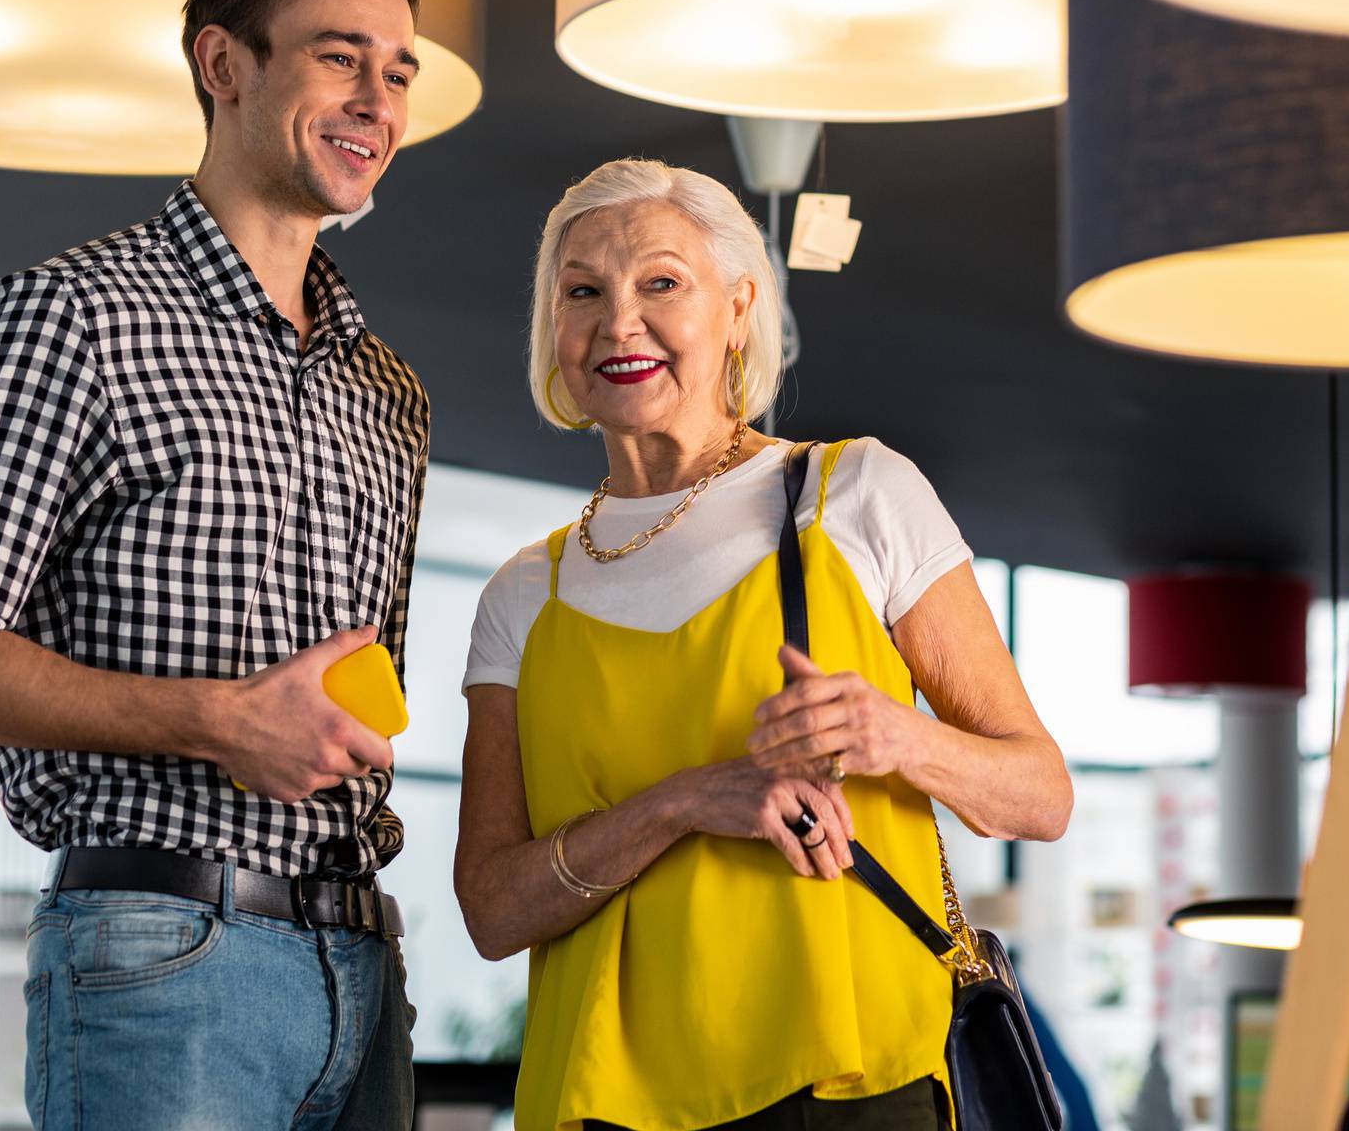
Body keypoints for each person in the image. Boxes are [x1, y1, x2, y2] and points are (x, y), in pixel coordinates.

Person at [0, 0, 431, 1129]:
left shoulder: (389, 393)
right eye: (338, 56)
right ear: (224, 65)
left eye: (400, 68)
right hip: (161, 953)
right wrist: (220, 721)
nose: (378, 97)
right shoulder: (71, 318)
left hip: (366, 967)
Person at [455, 158, 1076, 1131]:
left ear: (738, 308)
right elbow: (493, 907)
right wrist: (689, 799)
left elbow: (1040, 795)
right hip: (605, 1102)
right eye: (583, 291)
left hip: (854, 1081)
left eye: (662, 282)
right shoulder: (524, 594)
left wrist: (897, 737)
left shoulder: (856, 494)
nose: (620, 321)